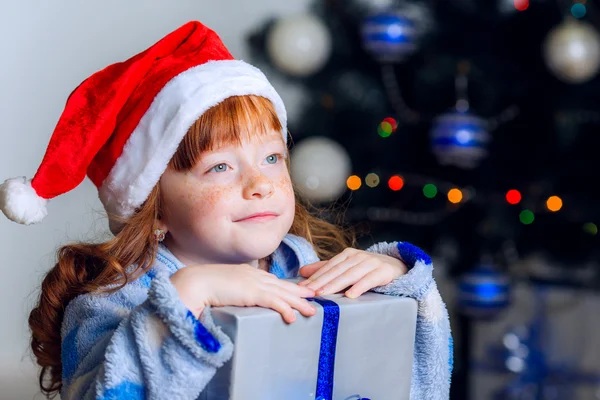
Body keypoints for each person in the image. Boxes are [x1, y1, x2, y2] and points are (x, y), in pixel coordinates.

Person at [0, 21, 452, 400]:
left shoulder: (307, 268)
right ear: (154, 209)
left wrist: (399, 293)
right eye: (219, 166)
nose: (259, 185)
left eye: (272, 158)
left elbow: (416, 383)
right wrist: (188, 296)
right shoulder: (109, 302)